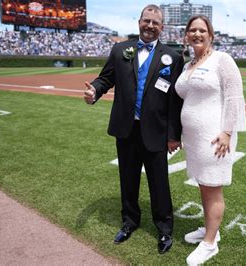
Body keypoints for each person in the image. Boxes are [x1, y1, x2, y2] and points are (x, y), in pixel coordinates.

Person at [83, 4, 184, 254]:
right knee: (127, 179)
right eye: (146, 21)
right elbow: (106, 78)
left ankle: (164, 229)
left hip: (156, 132)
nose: (150, 26)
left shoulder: (173, 57)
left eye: (155, 22)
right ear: (139, 22)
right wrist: (94, 90)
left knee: (159, 183)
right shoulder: (121, 50)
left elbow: (175, 101)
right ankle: (129, 222)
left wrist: (174, 135)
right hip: (126, 129)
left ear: (162, 27)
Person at [174, 15, 246, 264]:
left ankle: (210, 244)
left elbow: (234, 98)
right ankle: (209, 231)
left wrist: (227, 132)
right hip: (194, 139)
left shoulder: (222, 60)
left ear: (211, 34)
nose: (197, 34)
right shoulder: (188, 65)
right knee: (204, 185)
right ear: (186, 35)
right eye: (192, 30)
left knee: (213, 188)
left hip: (214, 137)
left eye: (202, 30)